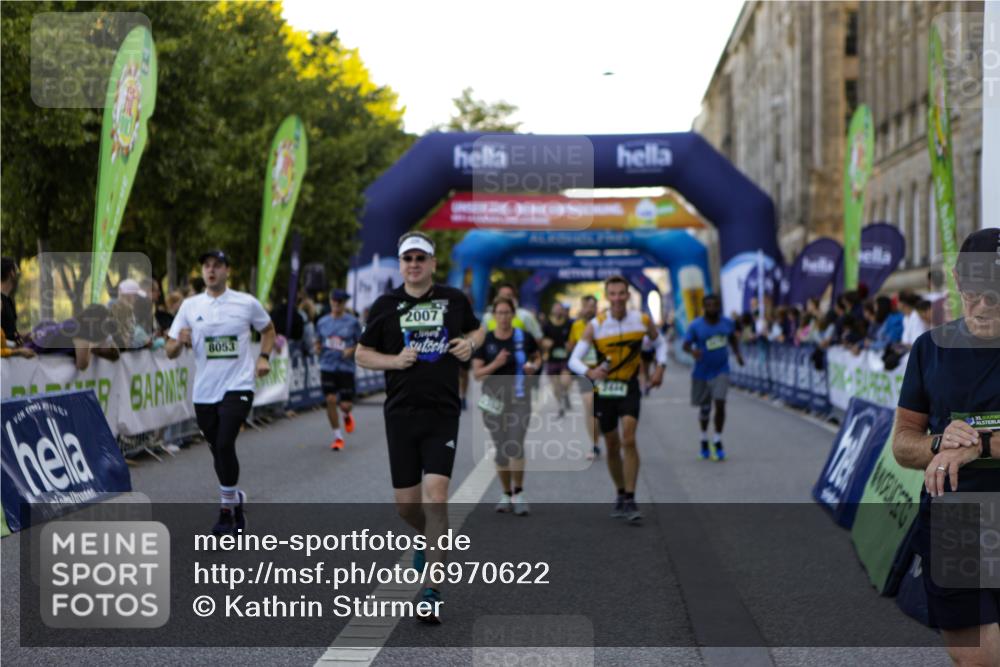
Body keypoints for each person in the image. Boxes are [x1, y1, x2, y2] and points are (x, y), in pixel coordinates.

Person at [355, 231, 483, 623]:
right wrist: (395, 361)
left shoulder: (454, 300)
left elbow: (478, 329)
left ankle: (431, 590)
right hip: (400, 414)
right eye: (407, 258)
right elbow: (362, 353)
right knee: (408, 507)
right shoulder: (386, 305)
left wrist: (471, 345)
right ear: (401, 264)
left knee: (437, 495)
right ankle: (427, 539)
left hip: (442, 411)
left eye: (420, 258)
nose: (414, 264)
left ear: (432, 264)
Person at [892, 228, 1000, 666]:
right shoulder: (929, 348)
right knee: (972, 657)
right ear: (957, 280)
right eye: (974, 291)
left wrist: (978, 445)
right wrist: (939, 442)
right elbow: (903, 443)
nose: (984, 304)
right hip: (956, 517)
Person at [165, 250, 276, 536]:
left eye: (217, 266)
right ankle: (235, 497)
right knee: (218, 449)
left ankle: (227, 512)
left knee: (225, 443)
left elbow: (268, 330)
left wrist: (264, 357)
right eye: (206, 266)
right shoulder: (190, 306)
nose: (211, 270)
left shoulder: (246, 303)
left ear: (227, 271)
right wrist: (180, 341)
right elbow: (169, 349)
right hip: (204, 391)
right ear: (202, 272)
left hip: (238, 385)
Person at [568, 276, 667, 523]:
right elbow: (573, 360)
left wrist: (660, 369)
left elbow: (661, 343)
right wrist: (589, 372)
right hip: (605, 390)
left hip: (629, 386)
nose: (617, 298)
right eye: (612, 294)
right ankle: (621, 493)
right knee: (612, 444)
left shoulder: (642, 320)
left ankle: (632, 497)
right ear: (607, 297)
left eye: (622, 293)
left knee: (629, 439)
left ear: (628, 295)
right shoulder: (596, 324)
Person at [472, 295, 541, 516]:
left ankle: (519, 492)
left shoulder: (524, 337)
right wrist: (496, 363)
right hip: (492, 402)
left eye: (507, 313)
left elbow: (538, 357)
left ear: (513, 314)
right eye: (499, 313)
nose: (503, 317)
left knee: (515, 443)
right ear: (494, 316)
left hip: (520, 398)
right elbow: (478, 374)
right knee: (501, 449)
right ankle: (505, 493)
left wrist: (533, 366)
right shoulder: (486, 340)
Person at [683, 293, 744, 461]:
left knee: (720, 402)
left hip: (721, 370)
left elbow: (732, 339)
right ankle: (703, 439)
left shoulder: (727, 323)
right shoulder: (696, 325)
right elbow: (685, 345)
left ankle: (717, 440)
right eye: (708, 305)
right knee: (705, 409)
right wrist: (693, 351)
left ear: (719, 306)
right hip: (702, 372)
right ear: (704, 307)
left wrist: (738, 355)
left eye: (715, 305)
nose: (712, 308)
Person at [315, 289, 362, 451]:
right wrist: (317, 347)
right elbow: (318, 341)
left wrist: (352, 350)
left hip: (345, 367)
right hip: (327, 366)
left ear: (344, 303)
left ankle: (347, 415)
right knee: (330, 400)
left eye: (340, 302)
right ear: (330, 301)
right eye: (334, 301)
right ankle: (337, 437)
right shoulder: (322, 322)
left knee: (345, 405)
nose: (336, 304)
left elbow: (361, 343)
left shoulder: (353, 322)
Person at [27, 304, 120, 370]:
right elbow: (82, 364)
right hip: (31, 356)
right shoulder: (82, 334)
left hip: (31, 349)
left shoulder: (73, 323)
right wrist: (93, 347)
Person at [568, 295, 602, 460]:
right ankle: (594, 445)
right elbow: (572, 347)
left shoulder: (603, 324)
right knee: (589, 405)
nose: (590, 309)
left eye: (592, 306)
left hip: (603, 370)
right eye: (587, 306)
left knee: (602, 409)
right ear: (582, 307)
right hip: (585, 372)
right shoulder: (576, 326)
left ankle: (603, 433)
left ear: (596, 308)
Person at [541, 301, 573, 417]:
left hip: (565, 359)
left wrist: (570, 345)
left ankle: (565, 394)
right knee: (555, 387)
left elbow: (574, 339)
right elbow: (541, 339)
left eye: (560, 308)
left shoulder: (569, 324)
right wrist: (545, 343)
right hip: (551, 359)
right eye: (556, 308)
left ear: (563, 311)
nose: (558, 311)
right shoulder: (547, 324)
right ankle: (561, 405)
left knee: (565, 381)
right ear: (552, 310)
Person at [2, 257, 22, 345]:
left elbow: (9, 333)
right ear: (11, 273)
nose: (18, 274)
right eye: (17, 270)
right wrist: (18, 350)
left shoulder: (8, 300)